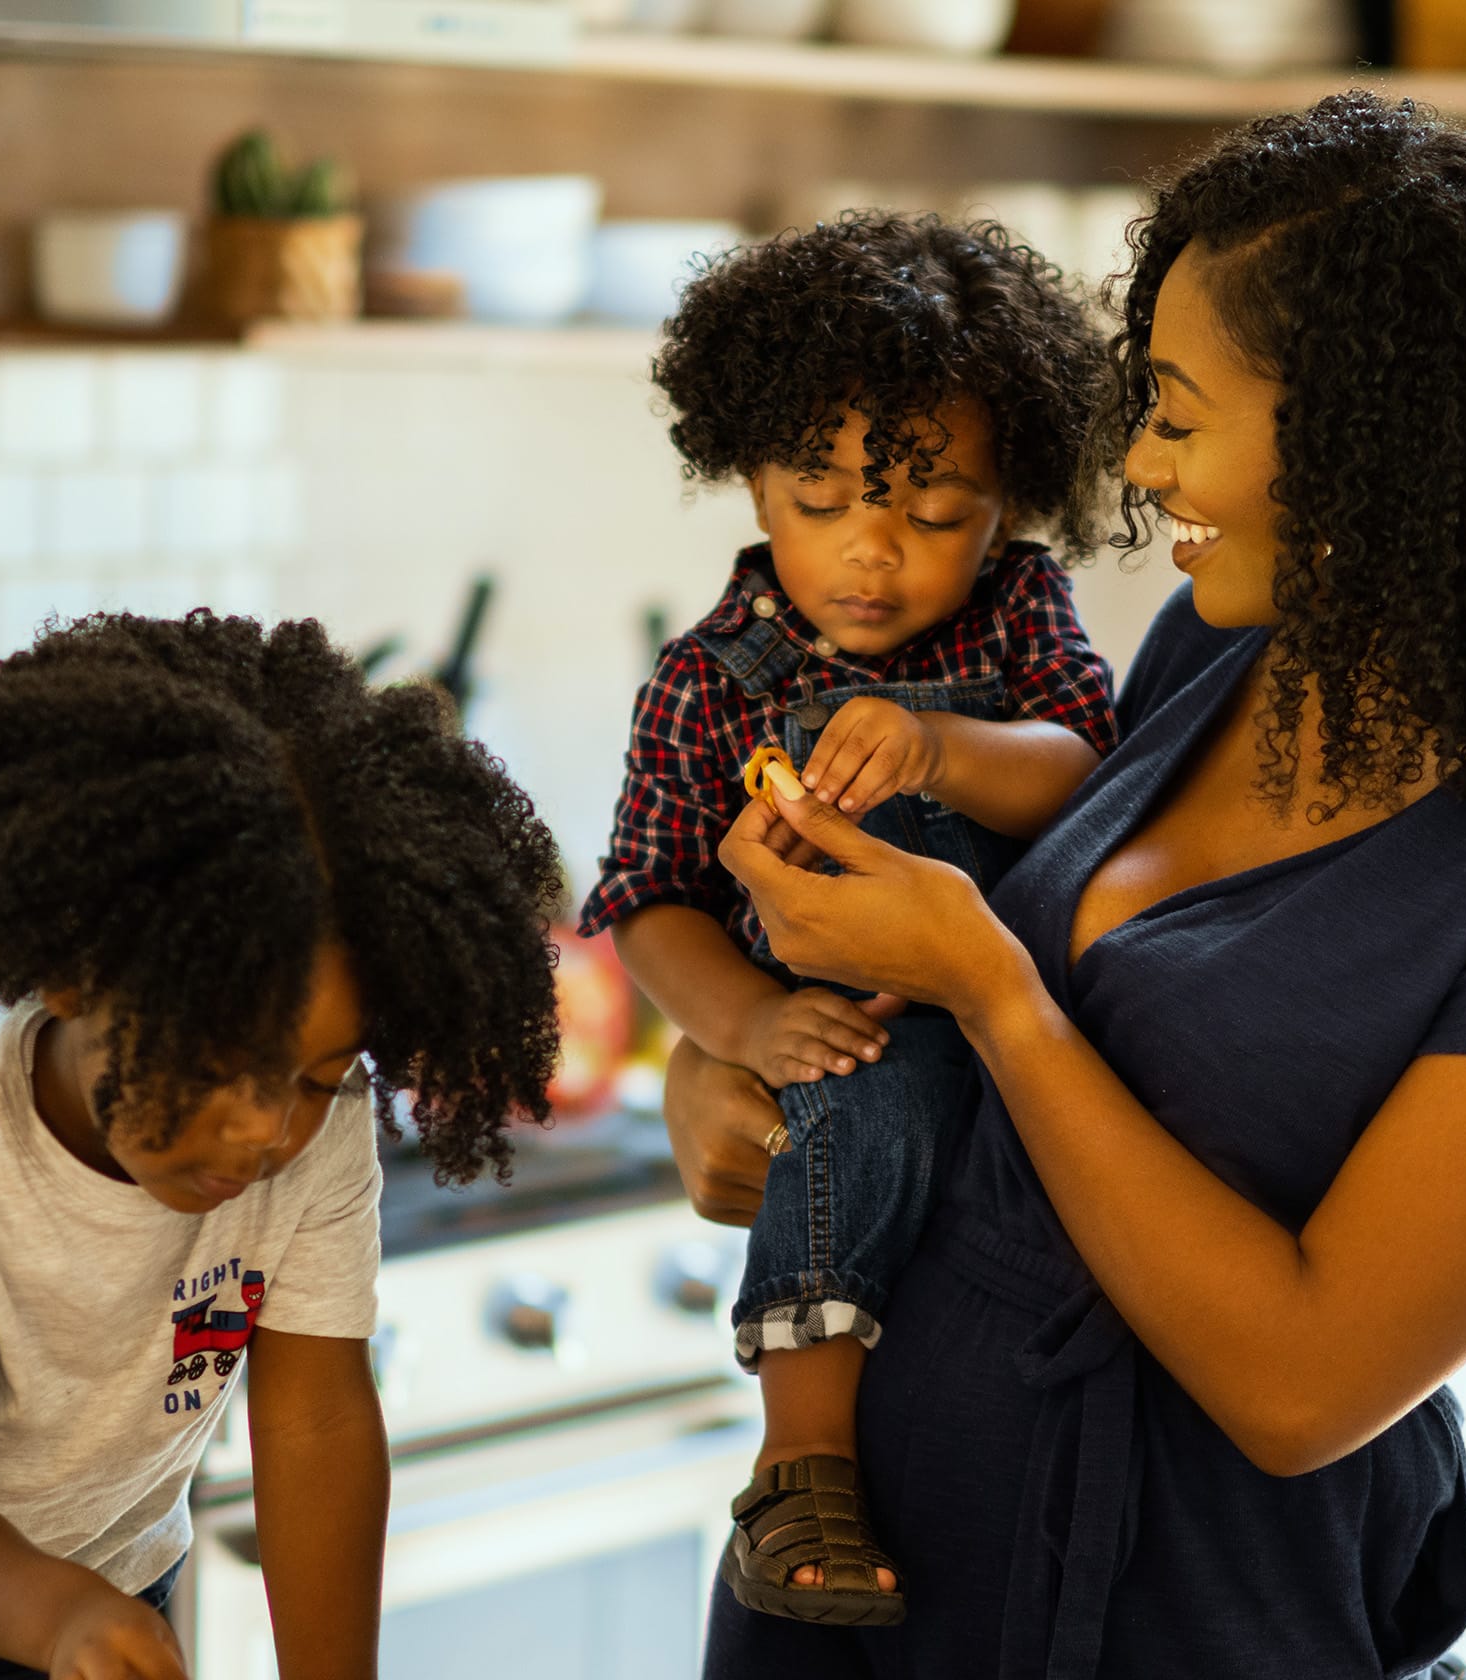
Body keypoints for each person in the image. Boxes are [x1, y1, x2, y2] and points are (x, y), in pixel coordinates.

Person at [668, 89, 1466, 1679]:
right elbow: (987, 1091)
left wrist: (988, 987)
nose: (1142, 460)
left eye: (1177, 412)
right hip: (874, 1572)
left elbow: (1305, 1383)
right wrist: (750, 1069)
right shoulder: (1229, 648)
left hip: (1192, 1612)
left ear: (1368, 434)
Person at [0, 611, 561, 1680]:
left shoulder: (321, 1135)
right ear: (76, 977)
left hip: (100, 1565)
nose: (265, 1130)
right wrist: (61, 1619)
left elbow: (314, 1422)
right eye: (220, 1063)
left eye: (312, 1076)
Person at [578, 213, 1117, 1623]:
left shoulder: (1016, 618)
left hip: (1013, 1037)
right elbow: (647, 902)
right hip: (847, 1029)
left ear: (1008, 506)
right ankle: (799, 1462)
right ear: (751, 479)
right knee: (853, 1114)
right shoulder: (707, 682)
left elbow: (1082, 770)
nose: (871, 553)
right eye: (821, 504)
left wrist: (940, 751)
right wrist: (748, 1021)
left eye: (934, 516)